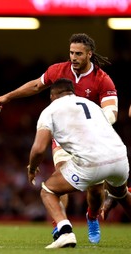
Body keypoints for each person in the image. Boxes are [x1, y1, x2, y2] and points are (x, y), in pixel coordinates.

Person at [0, 33, 118, 243]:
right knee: (61, 177)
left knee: (95, 191)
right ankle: (62, 227)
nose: (74, 57)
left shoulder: (103, 80)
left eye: (78, 54)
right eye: (71, 53)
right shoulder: (59, 70)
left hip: (92, 140)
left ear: (89, 54)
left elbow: (111, 113)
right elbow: (36, 86)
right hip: (64, 138)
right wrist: (8, 96)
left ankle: (92, 216)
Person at [27, 78, 131, 249]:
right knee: (121, 195)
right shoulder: (91, 105)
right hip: (120, 157)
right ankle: (88, 217)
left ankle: (65, 231)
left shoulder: (50, 110)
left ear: (53, 96)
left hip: (92, 162)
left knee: (48, 190)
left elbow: (38, 149)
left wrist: (32, 168)